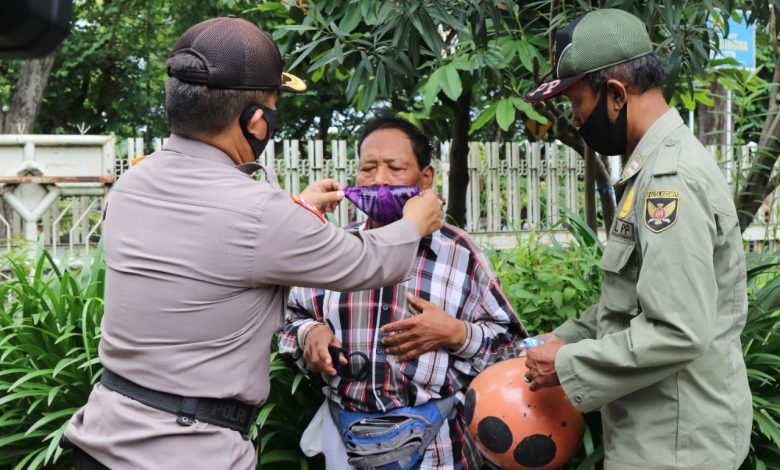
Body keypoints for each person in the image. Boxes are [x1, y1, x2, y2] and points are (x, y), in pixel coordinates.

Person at [62, 18, 444, 469]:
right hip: (188, 453)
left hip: (103, 439)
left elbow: (212, 239)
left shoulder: (132, 186)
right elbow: (365, 262)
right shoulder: (261, 212)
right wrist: (415, 223)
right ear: (257, 121)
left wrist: (297, 208)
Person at [522, 8, 751, 469]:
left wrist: (568, 364)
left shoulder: (671, 181)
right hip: (662, 433)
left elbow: (676, 330)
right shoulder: (650, 169)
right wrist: (560, 339)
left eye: (576, 102)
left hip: (677, 446)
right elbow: (633, 304)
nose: (575, 118)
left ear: (614, 94)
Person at [278, 116, 526, 470]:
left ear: (425, 179)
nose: (379, 180)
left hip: (440, 451)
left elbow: (512, 348)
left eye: (395, 168)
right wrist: (309, 333)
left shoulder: (459, 253)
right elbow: (287, 319)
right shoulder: (334, 249)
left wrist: (457, 334)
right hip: (347, 447)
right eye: (368, 168)